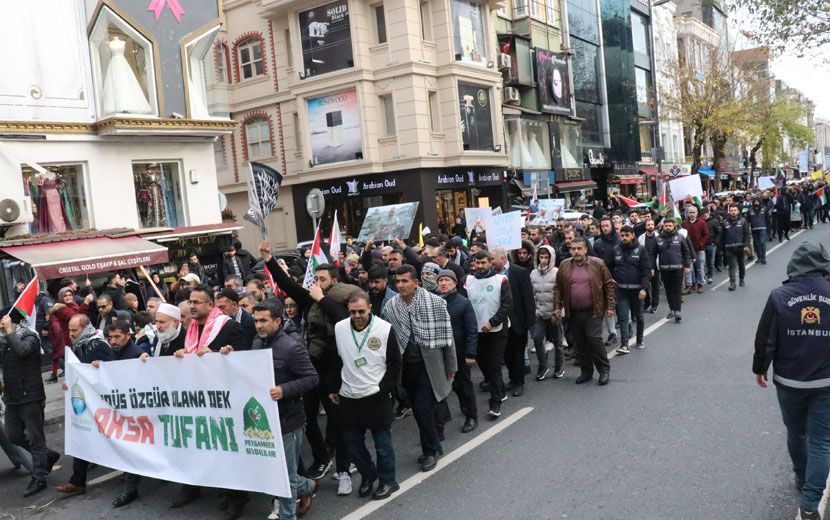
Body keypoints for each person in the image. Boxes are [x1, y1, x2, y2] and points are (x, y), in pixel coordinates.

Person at [262, 241, 359, 490]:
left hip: (335, 368)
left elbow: (344, 323)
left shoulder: (344, 301)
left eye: (323, 279)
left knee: (337, 418)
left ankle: (344, 469)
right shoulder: (310, 301)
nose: (317, 282)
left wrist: (323, 299)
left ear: (334, 281)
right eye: (315, 278)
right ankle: (321, 457)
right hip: (311, 364)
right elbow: (288, 286)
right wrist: (270, 260)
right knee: (308, 416)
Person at [753, 242, 830, 520]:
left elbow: (766, 339)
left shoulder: (779, 296)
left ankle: (802, 476)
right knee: (822, 441)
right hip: (825, 382)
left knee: (797, 433)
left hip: (790, 381)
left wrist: (760, 368)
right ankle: (810, 503)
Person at [170, 284, 248, 515]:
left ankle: (237, 498)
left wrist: (218, 357)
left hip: (224, 398)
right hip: (197, 397)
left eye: (196, 302)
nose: (192, 306)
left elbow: (245, 358)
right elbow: (185, 356)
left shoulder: (228, 326)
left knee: (229, 449)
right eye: (190, 302)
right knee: (198, 444)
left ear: (210, 305)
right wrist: (180, 355)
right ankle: (194, 486)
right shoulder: (191, 329)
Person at [382, 265, 456, 471]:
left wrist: (451, 365)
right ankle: (433, 444)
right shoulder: (391, 307)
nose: (400, 285)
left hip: (430, 365)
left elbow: (448, 338)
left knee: (423, 408)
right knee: (418, 409)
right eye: (397, 281)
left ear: (416, 282)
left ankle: (431, 451)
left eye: (405, 281)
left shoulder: (436, 303)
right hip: (407, 368)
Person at [329, 292, 401, 500]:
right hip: (349, 395)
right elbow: (335, 360)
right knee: (353, 444)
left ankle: (388, 481)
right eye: (353, 312)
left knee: (382, 444)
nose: (357, 315)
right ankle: (368, 475)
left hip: (376, 395)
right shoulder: (340, 328)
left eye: (361, 311)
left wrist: (384, 389)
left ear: (370, 307)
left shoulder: (384, 329)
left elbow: (395, 363)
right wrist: (333, 388)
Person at [251, 300, 319, 519]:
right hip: (265, 420)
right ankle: (307, 485)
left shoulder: (291, 347)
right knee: (274, 472)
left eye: (263, 321)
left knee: (286, 477)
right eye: (255, 321)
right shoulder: (256, 343)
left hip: (289, 421)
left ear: (277, 321)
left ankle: (288, 516)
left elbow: (311, 378)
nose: (259, 325)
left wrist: (284, 389)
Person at [0, 310, 61, 497]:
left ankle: (39, 477)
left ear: (13, 322)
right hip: (12, 397)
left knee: (36, 438)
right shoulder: (3, 341)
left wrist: (10, 332)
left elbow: (22, 351)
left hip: (30, 396)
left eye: (3, 322)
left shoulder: (30, 337)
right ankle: (48, 455)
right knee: (13, 435)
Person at [56, 314, 114, 496]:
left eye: (75, 330)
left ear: (85, 328)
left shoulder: (99, 345)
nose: (71, 334)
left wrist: (102, 366)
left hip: (103, 403)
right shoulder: (79, 345)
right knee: (81, 435)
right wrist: (69, 381)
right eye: (70, 330)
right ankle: (77, 481)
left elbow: (113, 370)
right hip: (86, 402)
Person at [553, 237, 615, 386]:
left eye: (579, 248)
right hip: (573, 312)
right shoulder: (564, 265)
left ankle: (604, 370)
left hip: (594, 310)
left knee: (594, 339)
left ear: (586, 249)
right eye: (573, 249)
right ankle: (586, 372)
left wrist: (610, 306)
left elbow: (608, 285)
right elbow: (558, 288)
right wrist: (557, 307)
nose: (576, 252)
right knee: (579, 343)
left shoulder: (598, 264)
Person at [99, 320, 144, 508]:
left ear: (128, 335)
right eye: (110, 338)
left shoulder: (136, 355)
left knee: (132, 447)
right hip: (122, 409)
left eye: (118, 337)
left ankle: (130, 489)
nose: (113, 341)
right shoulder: (114, 352)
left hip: (136, 411)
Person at [465, 251, 512, 417]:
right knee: (484, 364)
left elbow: (507, 306)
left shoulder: (501, 280)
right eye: (476, 263)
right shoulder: (468, 281)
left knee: (494, 365)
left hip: (496, 331)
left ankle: (495, 402)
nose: (479, 267)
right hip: (476, 331)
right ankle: (499, 389)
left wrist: (492, 322)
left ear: (490, 263)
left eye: (483, 263)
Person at [437, 269, 478, 433]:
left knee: (464, 385)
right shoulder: (435, 302)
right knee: (447, 385)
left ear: (454, 283)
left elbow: (471, 330)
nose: (444, 283)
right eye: (441, 280)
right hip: (441, 353)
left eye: (447, 280)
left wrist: (470, 354)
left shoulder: (463, 303)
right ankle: (444, 416)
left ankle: (471, 416)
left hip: (460, 353)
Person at [491, 247, 535, 397]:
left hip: (517, 321)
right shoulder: (492, 275)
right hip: (501, 322)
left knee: (517, 354)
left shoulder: (519, 272)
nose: (491, 262)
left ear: (502, 259)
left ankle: (519, 382)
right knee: (506, 354)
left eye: (493, 259)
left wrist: (530, 320)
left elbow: (528, 298)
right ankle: (512, 378)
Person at [609, 225, 650, 354]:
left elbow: (646, 270)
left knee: (639, 317)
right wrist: (611, 278)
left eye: (627, 235)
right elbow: (611, 266)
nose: (624, 238)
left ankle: (639, 339)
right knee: (622, 317)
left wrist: (644, 288)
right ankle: (624, 344)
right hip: (621, 290)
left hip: (637, 290)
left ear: (632, 235)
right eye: (622, 235)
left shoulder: (641, 249)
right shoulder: (616, 249)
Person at [530, 245, 564, 380]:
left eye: (546, 257)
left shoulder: (557, 272)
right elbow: (532, 294)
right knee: (537, 338)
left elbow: (562, 293)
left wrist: (560, 311)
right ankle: (543, 366)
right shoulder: (533, 273)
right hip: (539, 313)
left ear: (551, 258)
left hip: (554, 313)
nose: (543, 260)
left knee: (558, 342)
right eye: (541, 257)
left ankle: (559, 366)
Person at [655, 219, 692, 322]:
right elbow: (653, 254)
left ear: (674, 226)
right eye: (666, 225)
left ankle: (678, 312)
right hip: (664, 269)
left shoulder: (680, 237)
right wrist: (652, 268)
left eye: (670, 225)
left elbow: (686, 252)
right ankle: (671, 309)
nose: (668, 227)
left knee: (676, 290)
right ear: (663, 227)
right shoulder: (658, 239)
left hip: (677, 268)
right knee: (668, 290)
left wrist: (687, 266)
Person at [721, 204, 751, 291]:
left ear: (738, 211)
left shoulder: (743, 221)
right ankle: (732, 283)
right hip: (729, 248)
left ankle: (741, 279)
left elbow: (747, 234)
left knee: (741, 264)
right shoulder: (725, 222)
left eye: (735, 210)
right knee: (732, 266)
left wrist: (746, 245)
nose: (733, 212)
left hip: (740, 248)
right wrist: (721, 249)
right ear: (729, 212)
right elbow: (722, 236)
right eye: (731, 210)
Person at [682, 206, 709, 293]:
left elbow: (706, 235)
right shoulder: (684, 223)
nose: (692, 214)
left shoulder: (702, 222)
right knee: (688, 269)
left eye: (694, 212)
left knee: (700, 268)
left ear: (697, 213)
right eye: (690, 212)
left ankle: (700, 284)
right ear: (688, 214)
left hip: (699, 249)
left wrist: (701, 244)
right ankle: (689, 285)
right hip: (688, 250)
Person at [749, 198, 770, 264]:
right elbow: (748, 220)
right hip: (754, 229)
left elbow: (768, 219)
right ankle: (759, 257)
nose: (756, 203)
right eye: (755, 201)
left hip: (762, 228)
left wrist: (768, 230)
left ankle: (763, 258)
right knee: (756, 244)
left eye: (757, 201)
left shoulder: (764, 209)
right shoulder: (750, 210)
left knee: (762, 242)